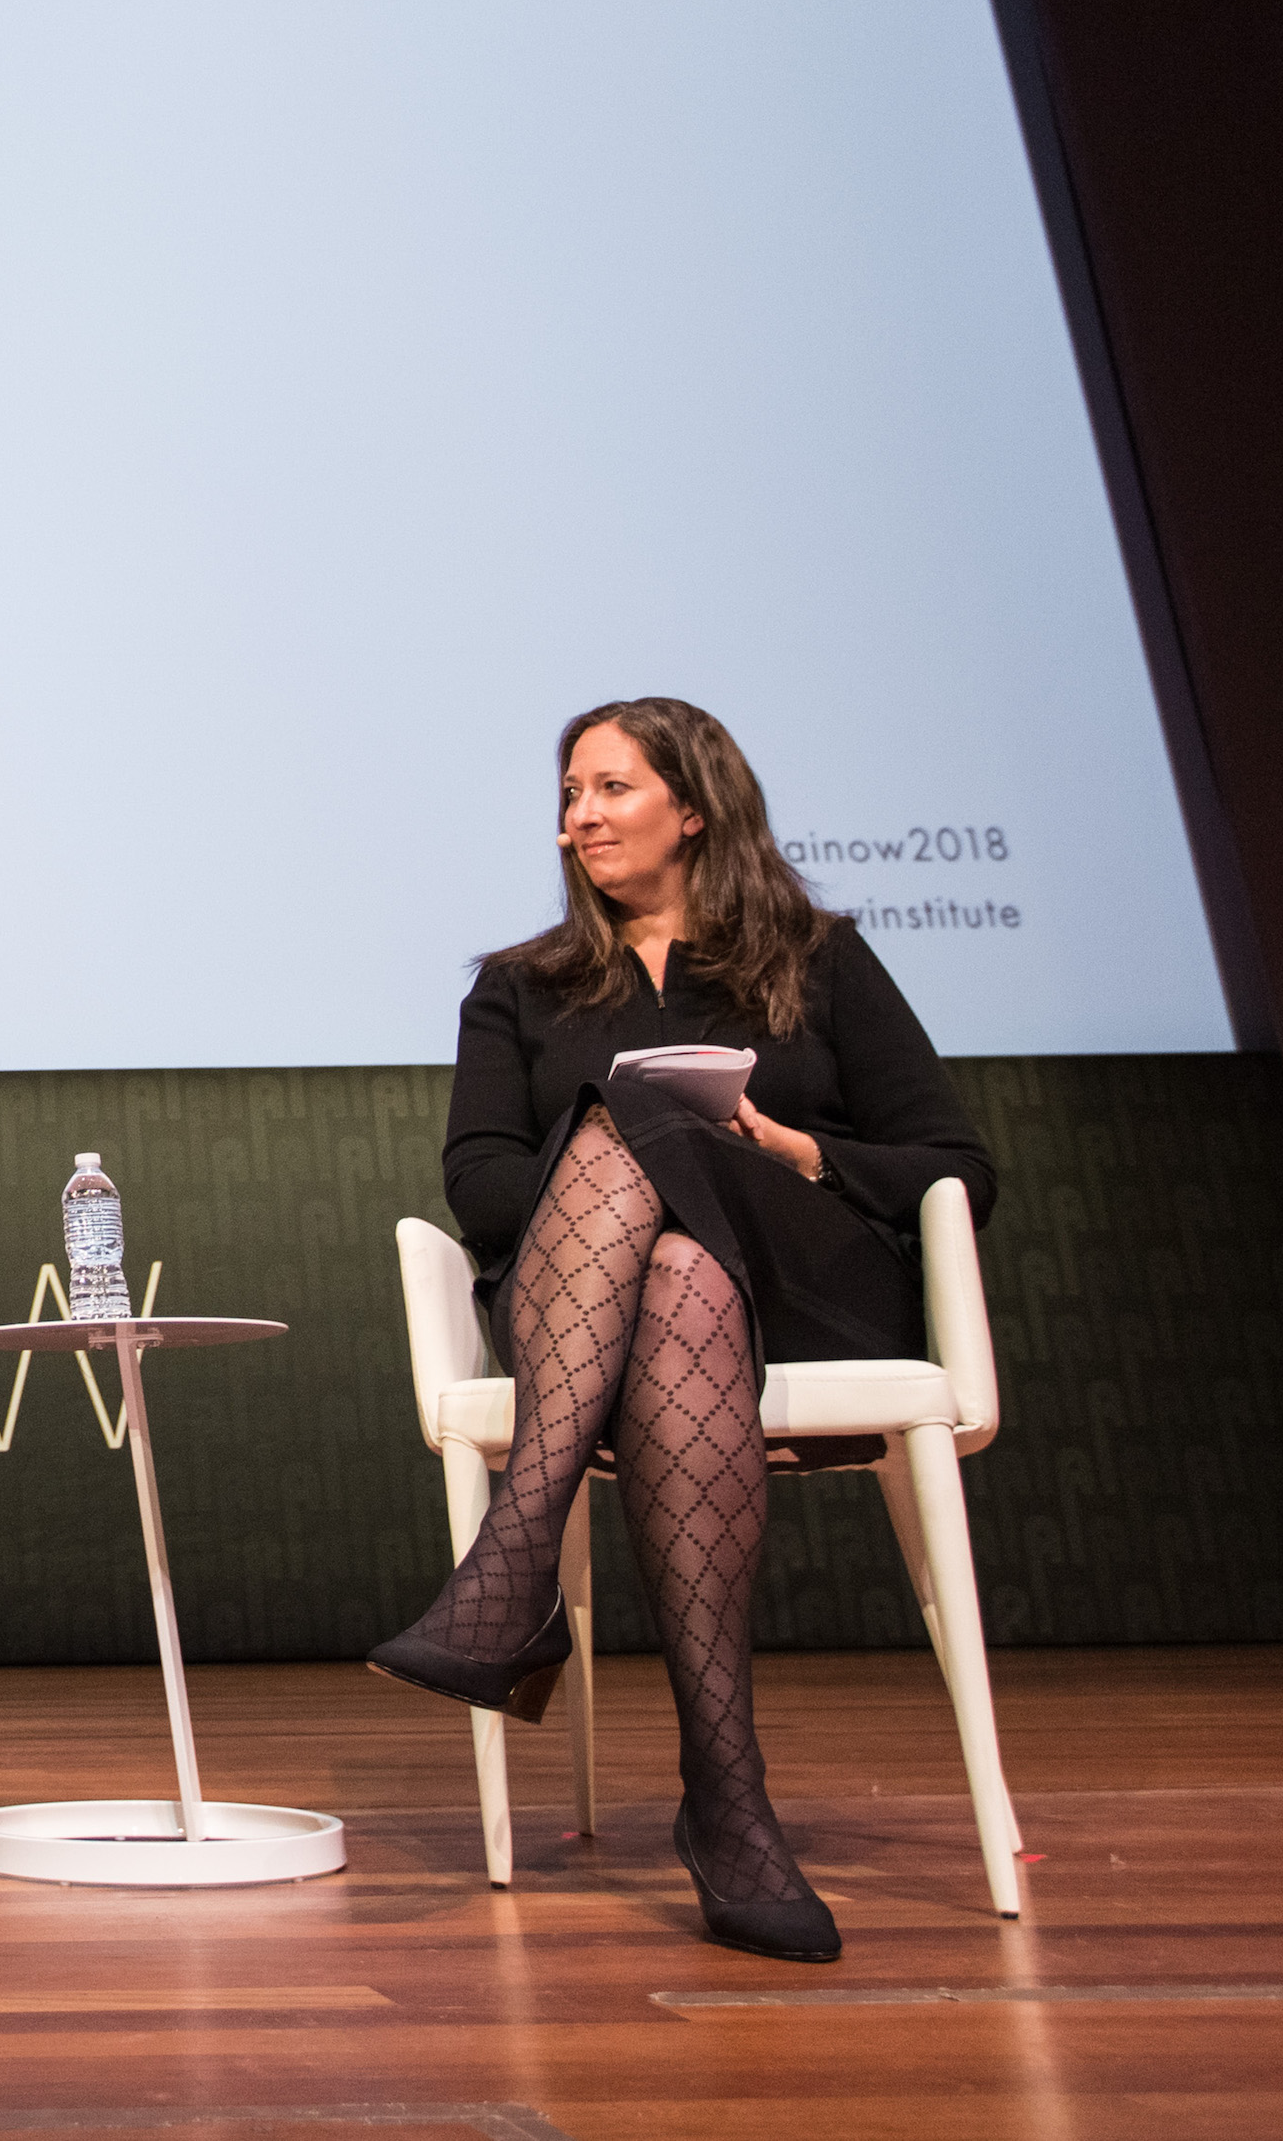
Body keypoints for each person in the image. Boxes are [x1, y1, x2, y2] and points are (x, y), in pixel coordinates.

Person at [371, 698, 992, 1964]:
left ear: (694, 805)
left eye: (609, 790)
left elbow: (954, 1168)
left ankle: (514, 1561)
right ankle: (728, 1799)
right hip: (601, 1310)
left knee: (644, 1142)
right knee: (669, 1258)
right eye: (569, 797)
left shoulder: (819, 959)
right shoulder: (519, 989)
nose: (578, 819)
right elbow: (481, 1190)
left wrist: (783, 1148)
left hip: (811, 1291)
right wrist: (623, 1157)